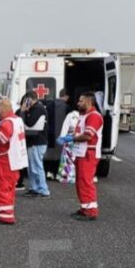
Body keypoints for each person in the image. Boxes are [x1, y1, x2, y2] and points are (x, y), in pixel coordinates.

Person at [58, 92, 104, 221]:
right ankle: (85, 208)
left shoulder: (94, 116)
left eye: (81, 101)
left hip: (88, 153)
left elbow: (88, 136)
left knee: (85, 182)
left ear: (89, 101)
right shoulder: (85, 115)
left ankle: (91, 211)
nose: (78, 103)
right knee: (80, 182)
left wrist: (70, 138)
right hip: (82, 152)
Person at [0, 99, 28, 224]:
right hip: (15, 160)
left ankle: (5, 216)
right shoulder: (17, 120)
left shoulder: (7, 123)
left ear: (3, 110)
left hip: (5, 160)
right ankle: (7, 212)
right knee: (10, 188)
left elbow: (3, 138)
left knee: (1, 187)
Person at [19, 91, 50, 198]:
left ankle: (43, 190)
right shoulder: (33, 108)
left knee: (37, 166)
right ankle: (34, 188)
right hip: (32, 142)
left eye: (26, 100)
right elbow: (19, 119)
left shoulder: (39, 108)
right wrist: (23, 110)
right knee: (32, 167)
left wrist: (23, 111)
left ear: (30, 99)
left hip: (38, 142)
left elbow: (29, 122)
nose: (25, 103)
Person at [57, 103, 80, 184]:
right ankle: (78, 177)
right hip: (80, 139)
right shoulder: (85, 116)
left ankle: (66, 177)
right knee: (78, 159)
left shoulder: (70, 115)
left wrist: (62, 137)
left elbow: (65, 127)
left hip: (69, 138)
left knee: (67, 159)